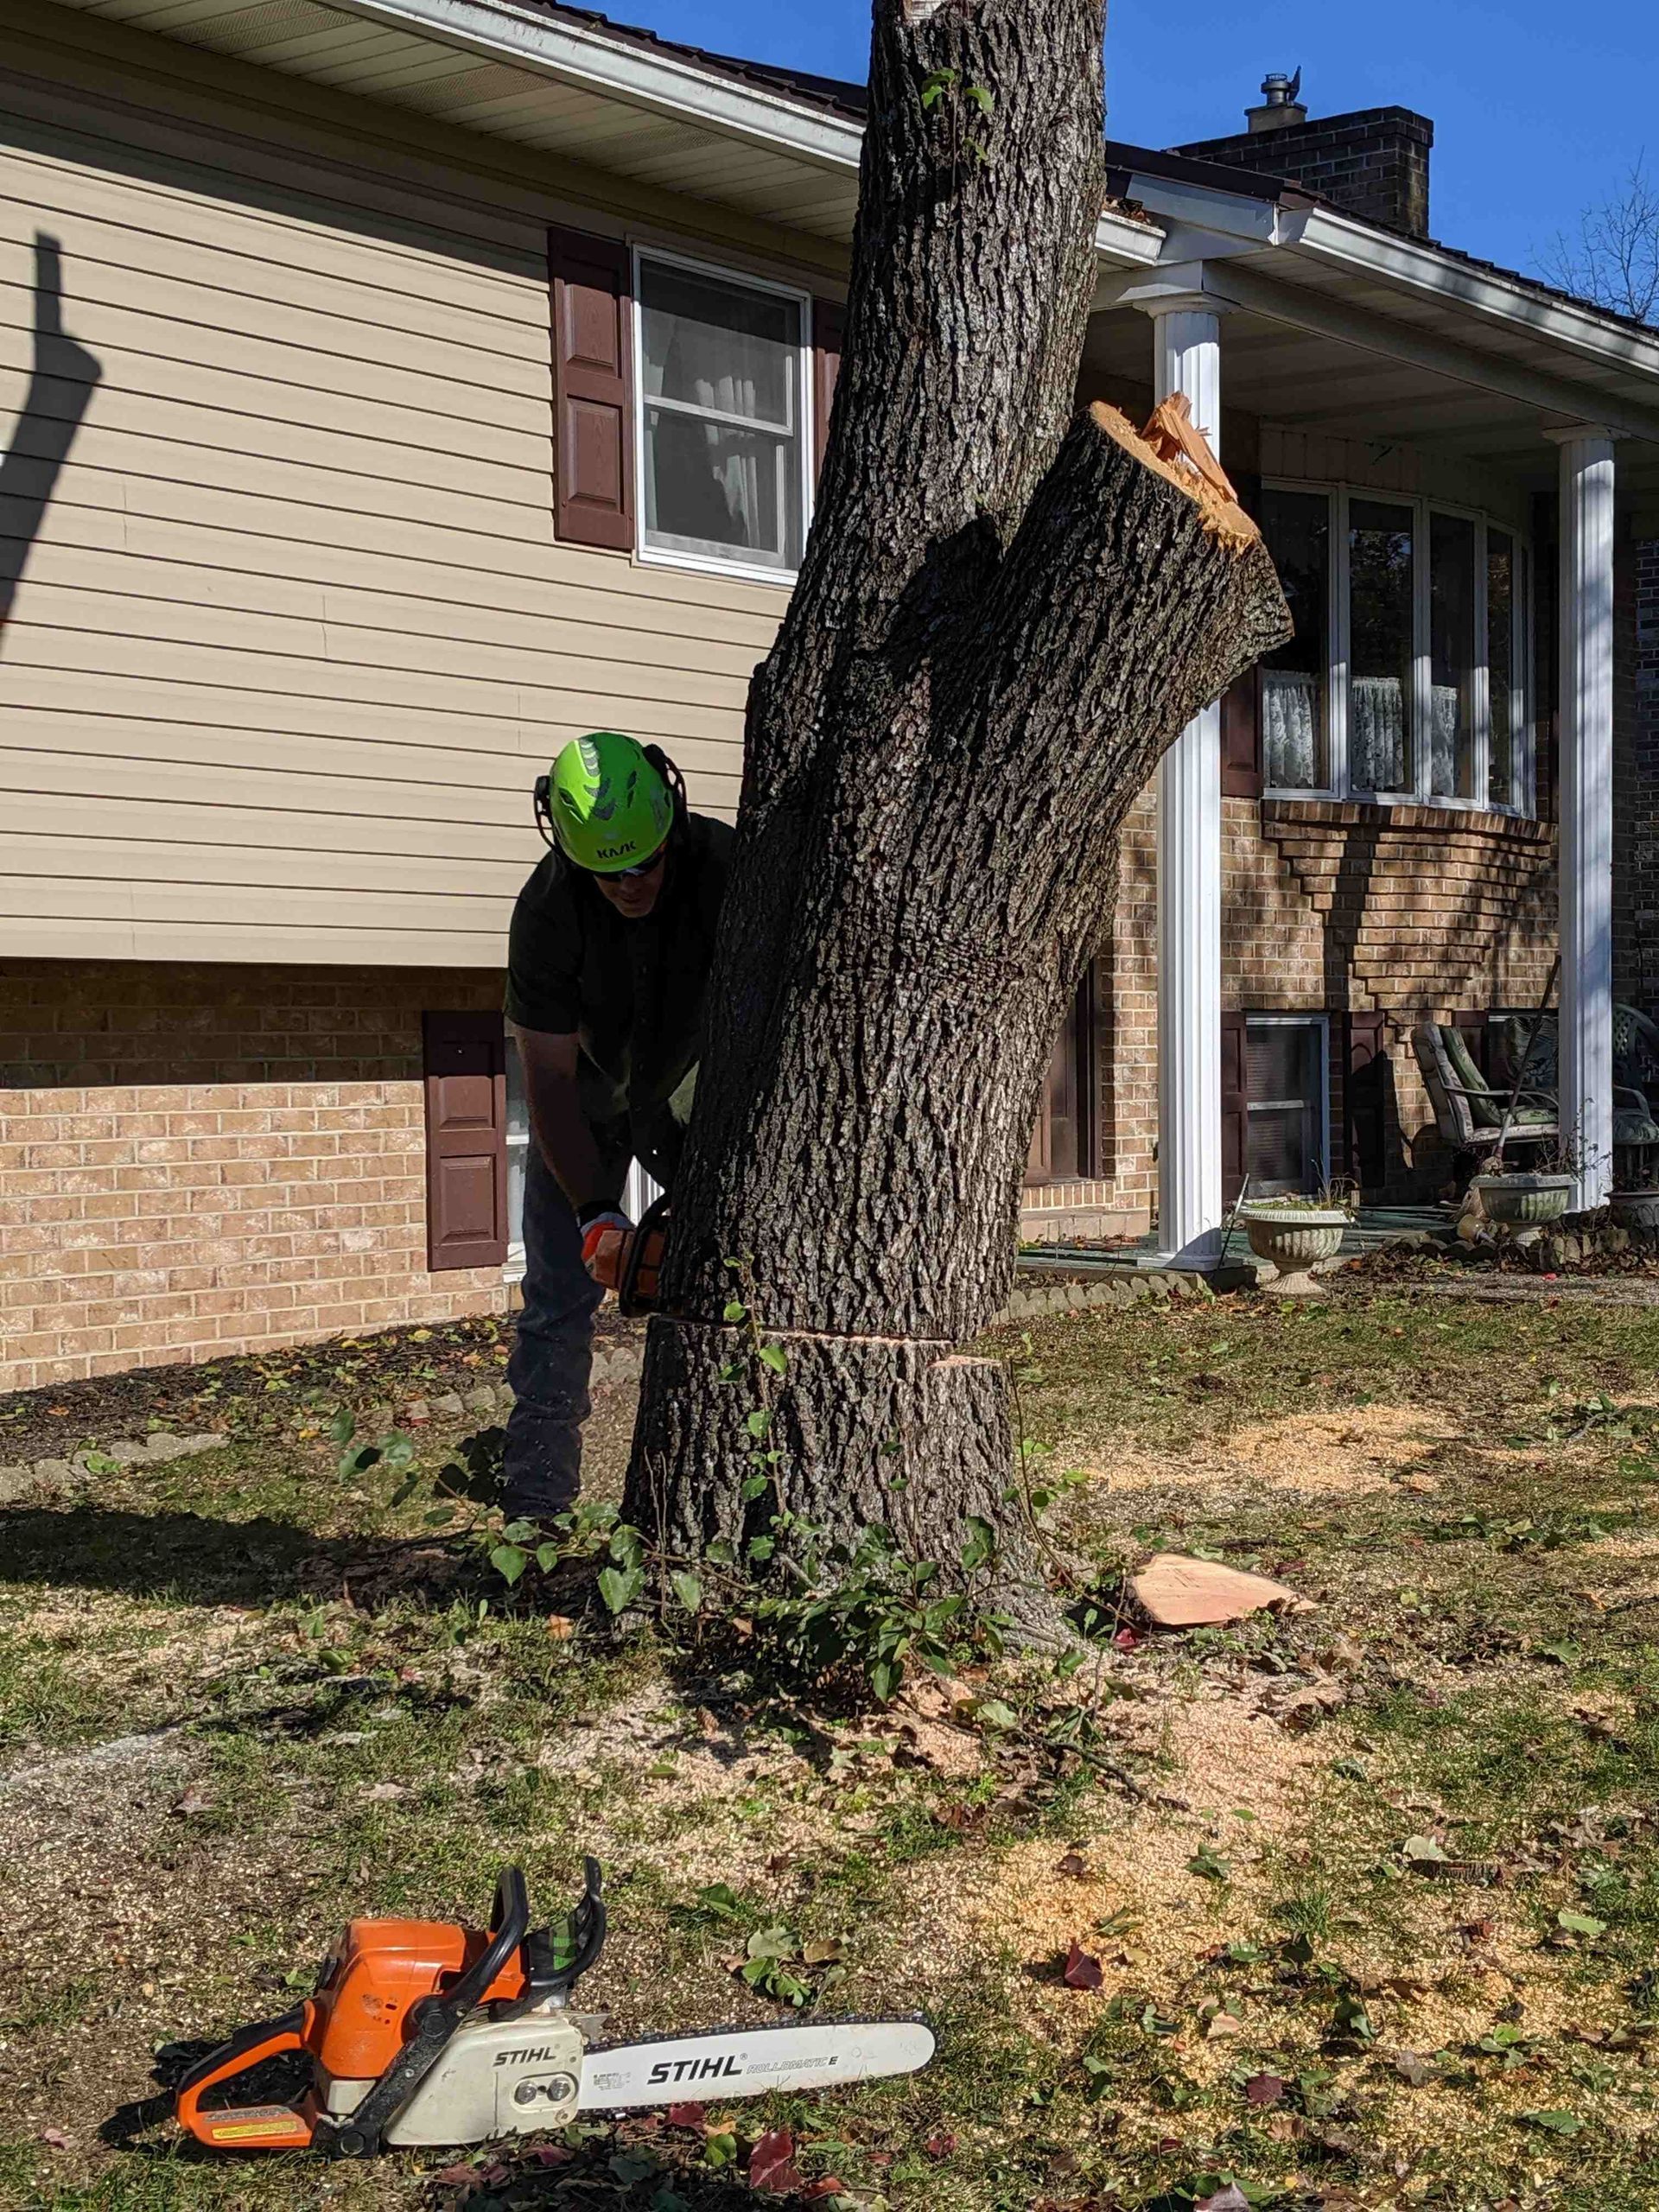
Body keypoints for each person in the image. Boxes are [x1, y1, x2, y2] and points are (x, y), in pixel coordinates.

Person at [502, 731, 732, 1524]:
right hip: (588, 1108)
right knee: (554, 1306)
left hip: (699, 1098)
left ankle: (716, 1498)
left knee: (728, 1286)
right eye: (610, 871)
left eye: (646, 861)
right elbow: (550, 1080)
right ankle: (534, 1513)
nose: (632, 883)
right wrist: (596, 1210)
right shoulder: (545, 914)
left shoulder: (725, 870)